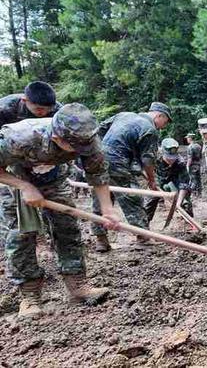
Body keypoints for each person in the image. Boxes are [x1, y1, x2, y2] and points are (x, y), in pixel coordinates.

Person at [0, 103, 120, 318]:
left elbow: (98, 174)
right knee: (21, 234)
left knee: (67, 228)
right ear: (57, 138)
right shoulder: (19, 137)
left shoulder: (87, 138)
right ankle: (29, 296)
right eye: (75, 147)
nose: (81, 151)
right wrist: (25, 186)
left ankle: (77, 287)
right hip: (14, 179)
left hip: (54, 179)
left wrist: (107, 209)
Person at [91, 102, 171, 252]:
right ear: (159, 115)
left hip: (96, 160)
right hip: (117, 162)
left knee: (101, 198)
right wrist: (152, 181)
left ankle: (100, 240)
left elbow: (99, 129)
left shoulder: (124, 115)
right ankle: (143, 238)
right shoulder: (150, 130)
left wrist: (100, 150)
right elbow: (148, 160)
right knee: (132, 198)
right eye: (164, 122)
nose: (163, 126)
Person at [0, 82, 63, 238]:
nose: (43, 113)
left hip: (46, 160)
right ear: (24, 100)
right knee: (18, 220)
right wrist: (22, 185)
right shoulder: (4, 110)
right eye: (39, 109)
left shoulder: (59, 112)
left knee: (62, 217)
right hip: (9, 158)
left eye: (47, 109)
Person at [144, 138, 194, 227]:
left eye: (173, 158)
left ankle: (190, 224)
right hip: (157, 180)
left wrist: (177, 204)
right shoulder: (153, 157)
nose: (171, 160)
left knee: (185, 201)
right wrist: (152, 181)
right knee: (148, 202)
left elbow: (184, 183)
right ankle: (143, 228)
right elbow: (145, 169)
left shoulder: (180, 162)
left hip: (175, 181)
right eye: (168, 158)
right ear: (162, 153)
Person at [185, 133, 202, 197]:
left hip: (192, 166)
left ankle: (192, 193)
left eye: (187, 138)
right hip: (198, 164)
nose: (187, 139)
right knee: (198, 179)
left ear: (190, 138)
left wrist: (187, 166)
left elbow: (190, 158)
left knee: (193, 179)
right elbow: (200, 156)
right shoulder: (199, 146)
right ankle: (199, 193)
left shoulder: (190, 147)